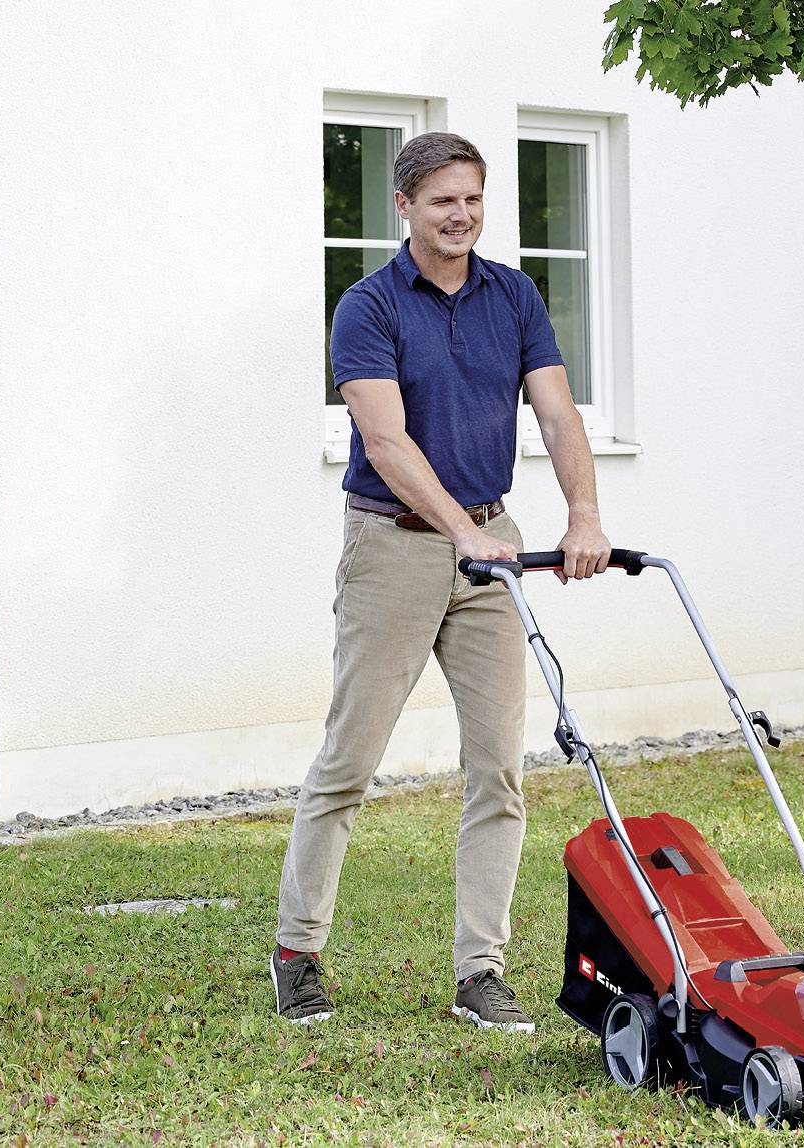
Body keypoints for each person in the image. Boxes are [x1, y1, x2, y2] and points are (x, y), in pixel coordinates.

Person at [271, 132, 610, 1030]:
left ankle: (479, 972)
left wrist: (582, 516)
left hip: (494, 543)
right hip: (396, 545)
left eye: (473, 199)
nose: (460, 215)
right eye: (442, 202)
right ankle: (297, 951)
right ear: (406, 208)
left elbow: (557, 410)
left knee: (500, 770)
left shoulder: (514, 294)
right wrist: (460, 532)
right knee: (350, 760)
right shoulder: (368, 306)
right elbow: (384, 442)